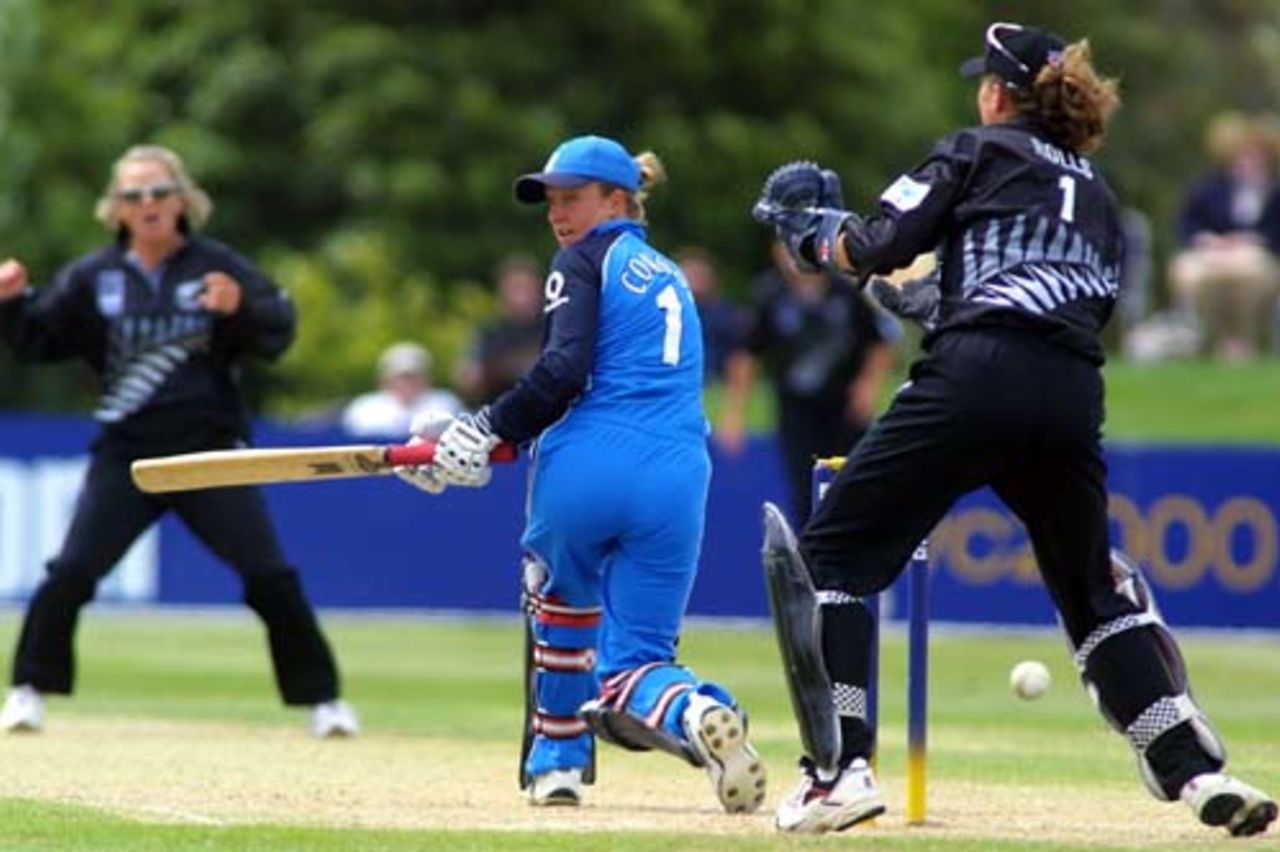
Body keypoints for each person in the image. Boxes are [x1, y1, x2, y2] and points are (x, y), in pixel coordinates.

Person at [752, 23, 1275, 837]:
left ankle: (837, 772)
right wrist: (934, 302)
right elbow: (1068, 299)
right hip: (1069, 392)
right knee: (1092, 593)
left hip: (975, 379)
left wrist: (814, 235)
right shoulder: (1097, 194)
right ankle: (1197, 773)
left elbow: (873, 244)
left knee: (833, 555)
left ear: (999, 93)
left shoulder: (975, 150)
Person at [398, 135, 766, 812]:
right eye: (551, 201)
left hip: (590, 464)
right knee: (639, 660)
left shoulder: (580, 261)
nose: (557, 214)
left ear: (617, 200)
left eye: (572, 198)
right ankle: (695, 712)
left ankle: (557, 764)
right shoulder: (669, 273)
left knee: (561, 601)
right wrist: (485, 430)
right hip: (680, 475)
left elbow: (564, 372)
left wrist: (483, 428)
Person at [0, 144, 358, 738]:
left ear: (183, 201)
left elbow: (277, 330)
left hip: (208, 451)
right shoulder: (96, 277)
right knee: (71, 572)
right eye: (134, 195)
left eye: (160, 192)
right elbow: (41, 339)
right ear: (115, 209)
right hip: (128, 454)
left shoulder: (216, 266)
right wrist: (10, 305)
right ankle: (28, 691)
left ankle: (324, 702)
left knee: (268, 574)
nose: (148, 204)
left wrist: (239, 309)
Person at [718, 240, 897, 522]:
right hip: (796, 407)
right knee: (804, 488)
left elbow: (880, 342)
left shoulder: (846, 291)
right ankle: (811, 554)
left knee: (853, 485)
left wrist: (867, 386)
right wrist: (734, 415)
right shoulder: (770, 295)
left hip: (845, 407)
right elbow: (746, 356)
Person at [1167, 111, 1280, 361]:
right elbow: (1187, 224)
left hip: (1258, 257)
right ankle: (1210, 339)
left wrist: (1252, 242)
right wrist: (1207, 241)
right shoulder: (1208, 187)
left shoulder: (1274, 192)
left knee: (1247, 273)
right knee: (1196, 274)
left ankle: (1243, 340)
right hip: (1211, 255)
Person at [454, 253, 545, 406]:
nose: (521, 295)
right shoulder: (489, 332)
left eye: (525, 287)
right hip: (499, 413)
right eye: (514, 288)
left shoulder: (554, 327)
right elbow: (469, 375)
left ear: (539, 289)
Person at [341, 341, 462, 437]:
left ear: (427, 379)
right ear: (385, 381)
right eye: (401, 377)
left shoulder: (445, 404)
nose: (407, 383)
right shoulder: (363, 409)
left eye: (413, 377)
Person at [675, 246, 745, 384]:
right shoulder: (663, 312)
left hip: (715, 384)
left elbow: (738, 358)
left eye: (699, 275)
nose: (694, 282)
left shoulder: (726, 314)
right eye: (690, 274)